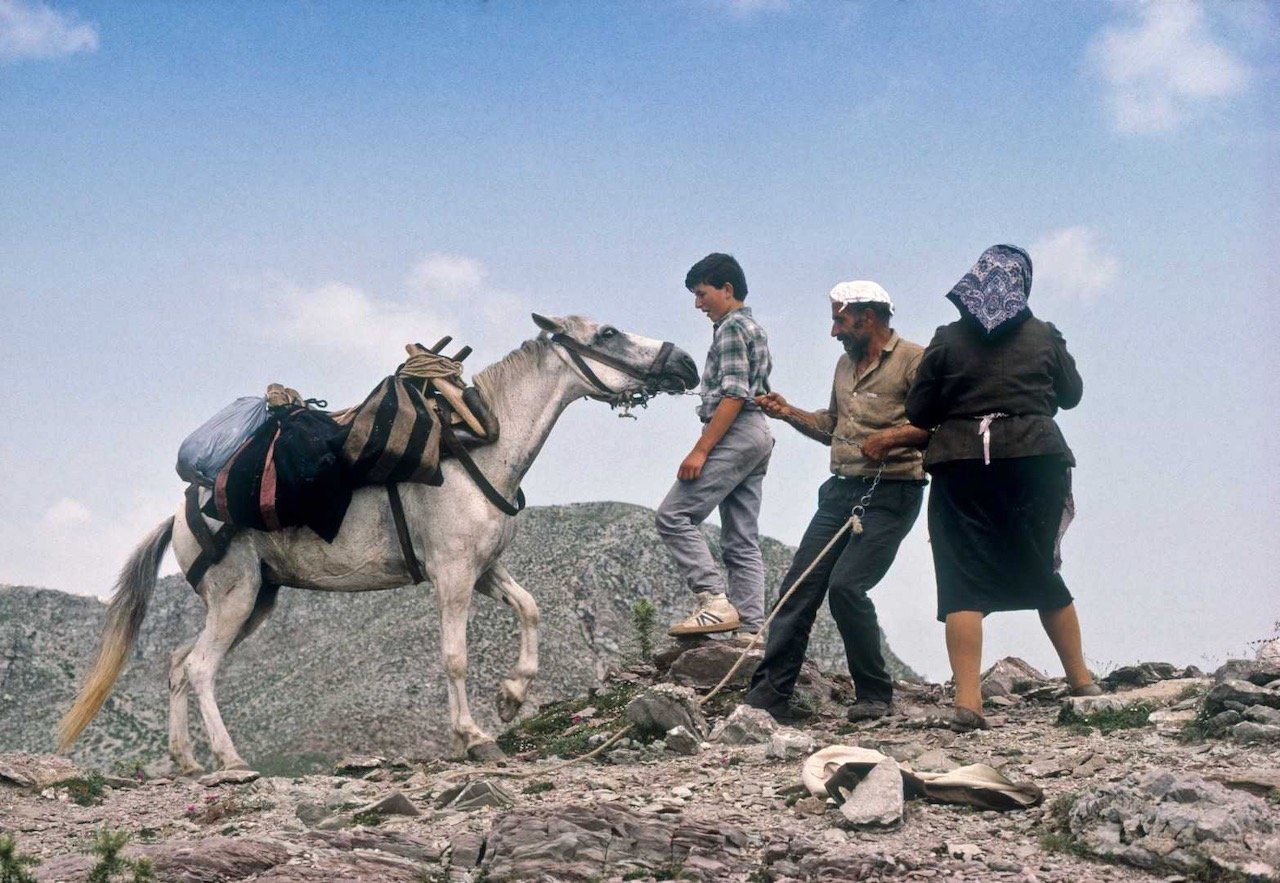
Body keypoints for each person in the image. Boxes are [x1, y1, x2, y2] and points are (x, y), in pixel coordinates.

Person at [905, 244, 1101, 733]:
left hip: (962, 463)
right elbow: (1071, 396)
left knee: (962, 578)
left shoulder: (947, 340)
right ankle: (1082, 682)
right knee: (1037, 566)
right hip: (1036, 458)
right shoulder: (1044, 335)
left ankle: (968, 701)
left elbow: (919, 412)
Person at [743, 281, 930, 723]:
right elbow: (832, 425)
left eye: (838, 320)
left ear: (867, 317)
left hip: (893, 492)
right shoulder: (844, 365)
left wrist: (891, 438)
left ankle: (874, 694)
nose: (833, 332)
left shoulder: (915, 360)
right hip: (841, 491)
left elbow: (938, 425)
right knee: (799, 587)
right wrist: (789, 412)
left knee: (847, 587)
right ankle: (770, 698)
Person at [656, 253, 774, 638]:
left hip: (735, 430)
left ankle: (714, 601)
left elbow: (735, 394)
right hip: (757, 433)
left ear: (727, 289)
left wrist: (701, 449)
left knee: (673, 516)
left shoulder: (731, 328)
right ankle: (750, 634)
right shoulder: (753, 327)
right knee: (741, 538)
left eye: (702, 293)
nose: (698, 303)